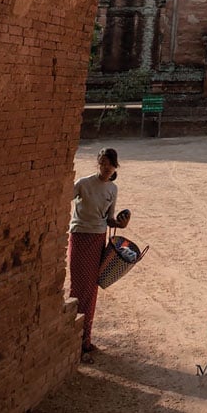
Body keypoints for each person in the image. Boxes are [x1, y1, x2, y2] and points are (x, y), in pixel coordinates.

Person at [68, 147, 131, 362]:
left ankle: (85, 339)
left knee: (91, 289)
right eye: (103, 163)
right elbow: (63, 197)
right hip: (80, 236)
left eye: (110, 164)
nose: (106, 167)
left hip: (98, 238)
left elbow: (109, 218)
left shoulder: (112, 189)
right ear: (98, 163)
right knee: (79, 286)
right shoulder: (84, 184)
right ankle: (75, 341)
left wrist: (120, 224)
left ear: (115, 166)